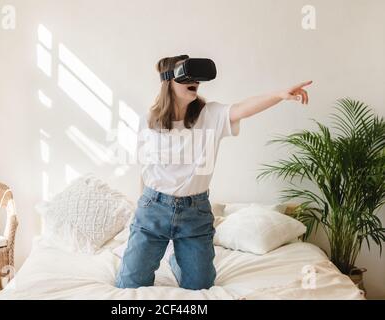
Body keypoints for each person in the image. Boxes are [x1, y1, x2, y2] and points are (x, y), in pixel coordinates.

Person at [115, 54, 312, 290]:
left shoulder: (210, 115)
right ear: (168, 81)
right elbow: (144, 170)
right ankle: (167, 250)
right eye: (187, 76)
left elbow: (243, 108)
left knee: (200, 284)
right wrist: (140, 212)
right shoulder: (147, 121)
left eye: (197, 78)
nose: (195, 82)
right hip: (153, 209)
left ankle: (178, 259)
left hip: (194, 212)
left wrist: (278, 95)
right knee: (130, 284)